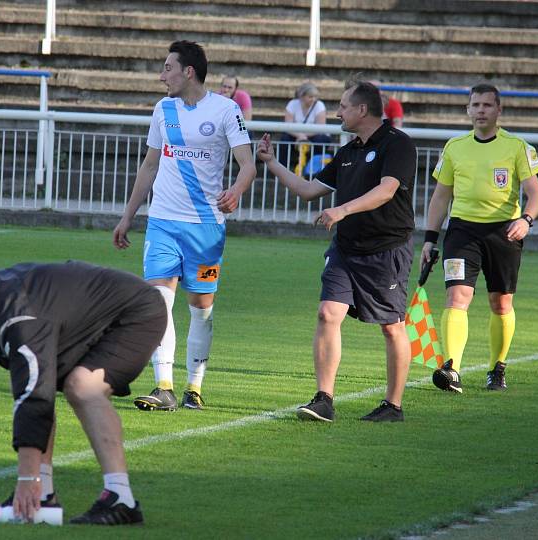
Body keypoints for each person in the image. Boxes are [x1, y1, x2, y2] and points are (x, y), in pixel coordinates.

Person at [0, 261, 167, 525]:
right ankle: (43, 495)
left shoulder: (18, 318)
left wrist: (27, 479)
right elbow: (35, 391)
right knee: (40, 386)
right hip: (88, 317)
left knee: (82, 387)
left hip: (135, 313)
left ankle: (121, 498)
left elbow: (34, 398)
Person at [256, 79, 417, 422]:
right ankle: (324, 399)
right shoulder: (348, 151)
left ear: (362, 110)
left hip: (387, 248)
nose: (338, 112)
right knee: (328, 313)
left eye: (343, 106)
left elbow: (387, 190)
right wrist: (271, 163)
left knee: (392, 326)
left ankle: (393, 406)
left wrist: (342, 210)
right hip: (346, 247)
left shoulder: (398, 145)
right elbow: (309, 189)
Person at [113, 40, 256, 411]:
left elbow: (248, 164)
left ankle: (194, 387)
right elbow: (149, 166)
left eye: (167, 68)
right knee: (158, 304)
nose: (162, 76)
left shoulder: (226, 110)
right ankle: (164, 386)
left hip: (205, 227)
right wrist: (128, 216)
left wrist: (237, 190)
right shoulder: (163, 110)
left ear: (187, 71)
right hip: (162, 223)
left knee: (201, 309)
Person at [423, 83, 538, 393]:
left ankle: (497, 368)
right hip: (462, 231)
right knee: (456, 296)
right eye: (475, 105)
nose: (480, 110)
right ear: (468, 109)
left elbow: (535, 194)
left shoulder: (518, 147)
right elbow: (440, 198)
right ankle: (452, 369)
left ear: (498, 110)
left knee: (500, 303)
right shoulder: (454, 147)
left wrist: (526, 220)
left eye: (487, 105)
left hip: (504, 231)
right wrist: (430, 238)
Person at [280, 81, 330, 168]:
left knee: (321, 140)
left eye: (315, 97)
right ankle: (282, 169)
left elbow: (321, 128)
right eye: (310, 97)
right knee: (284, 139)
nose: (313, 99)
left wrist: (303, 136)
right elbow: (287, 126)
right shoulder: (292, 104)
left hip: (314, 134)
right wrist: (299, 136)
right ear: (302, 97)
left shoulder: (319, 105)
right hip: (295, 134)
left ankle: (314, 169)